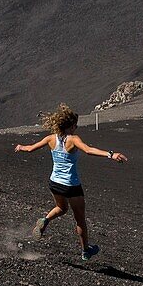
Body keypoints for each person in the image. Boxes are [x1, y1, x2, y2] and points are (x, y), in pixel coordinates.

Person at [14, 103, 128, 260]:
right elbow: (88, 150)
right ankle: (85, 250)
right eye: (75, 125)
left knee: (61, 207)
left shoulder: (50, 138)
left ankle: (45, 220)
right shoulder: (73, 139)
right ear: (71, 125)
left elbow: (30, 148)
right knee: (80, 220)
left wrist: (21, 147)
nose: (76, 128)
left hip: (54, 183)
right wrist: (110, 154)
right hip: (71, 186)